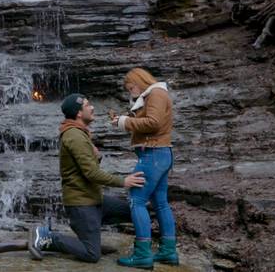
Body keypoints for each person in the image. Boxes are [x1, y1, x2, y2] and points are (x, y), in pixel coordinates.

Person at [28, 93, 146, 263]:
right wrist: (124, 181)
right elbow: (91, 173)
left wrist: (96, 156)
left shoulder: (80, 133)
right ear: (78, 113)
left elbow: (84, 167)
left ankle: (91, 235)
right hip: (81, 205)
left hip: (94, 200)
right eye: (87, 105)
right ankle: (49, 237)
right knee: (92, 255)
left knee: (134, 210)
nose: (92, 107)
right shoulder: (75, 136)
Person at [111, 68, 179, 269]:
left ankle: (142, 254)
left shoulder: (156, 94)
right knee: (160, 203)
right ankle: (168, 251)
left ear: (139, 81)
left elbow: (153, 123)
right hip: (160, 153)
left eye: (130, 86)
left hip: (153, 154)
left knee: (136, 199)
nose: (129, 90)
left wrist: (124, 122)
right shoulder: (156, 94)